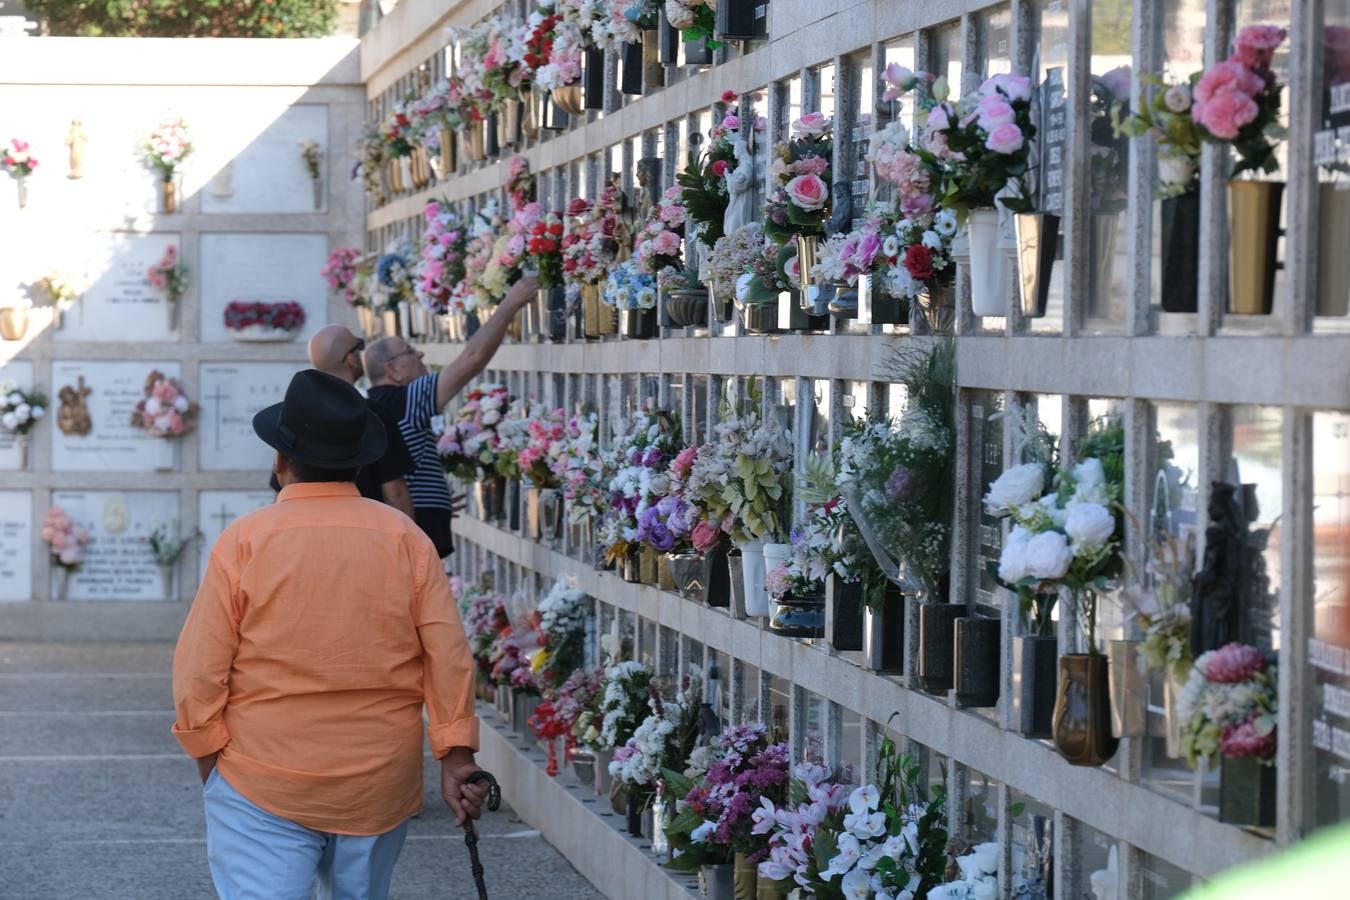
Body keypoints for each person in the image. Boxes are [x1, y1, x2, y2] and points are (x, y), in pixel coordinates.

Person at [171, 369, 487, 900]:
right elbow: (448, 655)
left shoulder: (245, 541)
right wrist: (456, 754)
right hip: (378, 778)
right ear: (361, 462)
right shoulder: (405, 538)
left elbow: (199, 666)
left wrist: (210, 756)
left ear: (280, 460)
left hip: (262, 771)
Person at [364, 276, 538, 558]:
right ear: (392, 370)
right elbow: (472, 359)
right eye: (410, 351)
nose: (419, 353)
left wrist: (434, 497)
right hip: (413, 534)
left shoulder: (373, 406)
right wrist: (510, 303)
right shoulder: (405, 401)